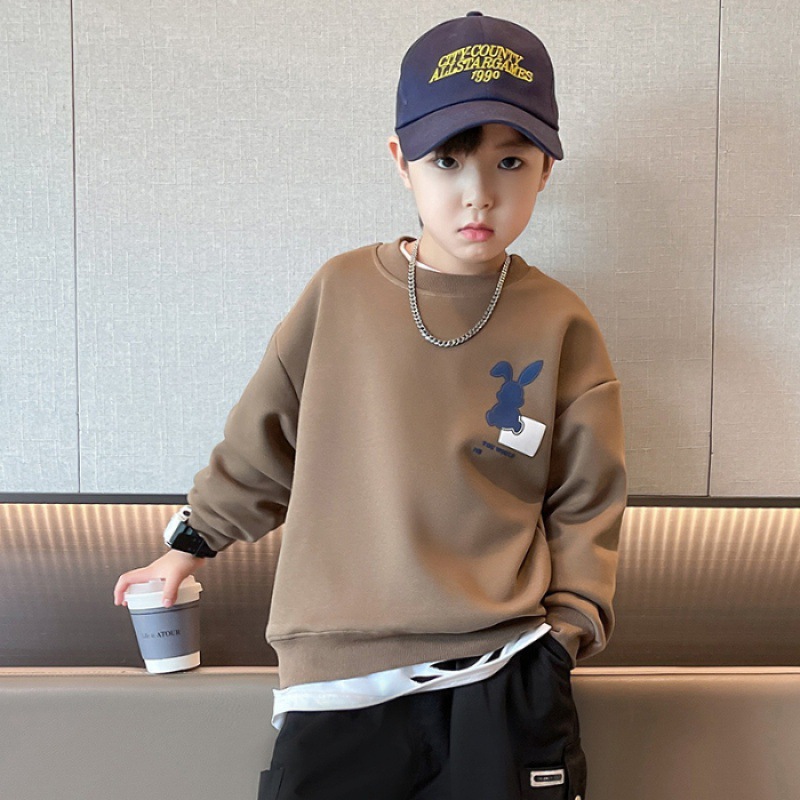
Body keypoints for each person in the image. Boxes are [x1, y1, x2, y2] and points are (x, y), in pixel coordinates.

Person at [114, 11, 626, 800]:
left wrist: (570, 629)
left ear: (546, 170)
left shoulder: (561, 321)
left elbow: (587, 496)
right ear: (401, 162)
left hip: (507, 671)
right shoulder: (343, 291)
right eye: (447, 159)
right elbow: (265, 439)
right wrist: (187, 546)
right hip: (337, 679)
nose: (478, 194)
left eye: (511, 161)